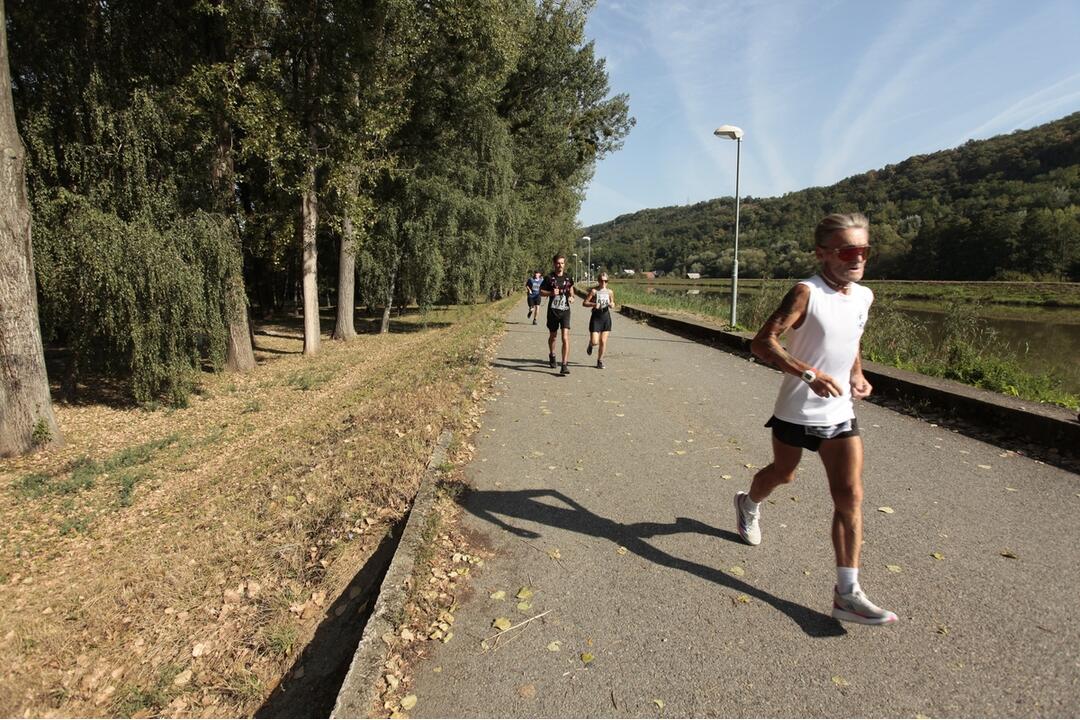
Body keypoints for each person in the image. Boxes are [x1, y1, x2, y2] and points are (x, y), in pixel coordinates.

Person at [734, 212, 897, 626]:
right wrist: (808, 373)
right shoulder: (806, 292)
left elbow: (852, 337)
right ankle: (748, 503)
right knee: (783, 475)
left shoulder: (863, 296)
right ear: (823, 253)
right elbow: (761, 342)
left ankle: (847, 592)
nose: (858, 258)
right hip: (797, 409)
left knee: (850, 495)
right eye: (848, 250)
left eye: (864, 249)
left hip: (839, 411)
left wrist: (857, 373)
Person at [540, 253, 574, 375]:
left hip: (565, 310)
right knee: (553, 336)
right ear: (554, 264)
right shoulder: (549, 278)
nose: (560, 265)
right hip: (553, 311)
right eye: (558, 263)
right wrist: (550, 293)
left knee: (565, 337)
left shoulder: (568, 277)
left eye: (562, 263)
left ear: (564, 265)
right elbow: (541, 292)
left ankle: (564, 364)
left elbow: (571, 289)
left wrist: (572, 297)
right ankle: (552, 354)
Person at [583, 272, 615, 369]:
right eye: (601, 280)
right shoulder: (594, 291)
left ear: (607, 282)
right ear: (598, 281)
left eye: (606, 281)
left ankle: (599, 361)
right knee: (595, 341)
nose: (603, 283)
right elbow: (584, 303)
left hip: (606, 317)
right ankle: (590, 344)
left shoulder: (610, 292)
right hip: (596, 318)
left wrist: (612, 305)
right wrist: (593, 305)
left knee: (603, 341)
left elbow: (613, 302)